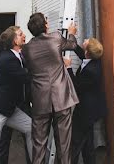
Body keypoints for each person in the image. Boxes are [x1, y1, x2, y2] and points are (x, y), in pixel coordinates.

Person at [22, 13, 79, 164]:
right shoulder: (56, 37)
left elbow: (29, 68)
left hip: (40, 101)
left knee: (39, 145)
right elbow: (72, 45)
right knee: (64, 145)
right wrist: (72, 33)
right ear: (45, 25)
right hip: (62, 98)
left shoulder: (26, 49)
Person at [0, 26, 33, 164]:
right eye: (20, 34)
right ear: (14, 41)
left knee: (31, 128)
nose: (24, 36)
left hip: (9, 109)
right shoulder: (8, 59)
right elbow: (27, 77)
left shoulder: (17, 55)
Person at [65, 38, 107, 164]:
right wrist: (72, 37)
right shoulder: (93, 58)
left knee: (75, 143)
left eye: (86, 42)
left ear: (87, 51)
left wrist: (68, 68)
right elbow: (80, 53)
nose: (85, 40)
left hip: (86, 112)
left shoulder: (91, 71)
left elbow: (76, 86)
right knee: (88, 144)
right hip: (90, 110)